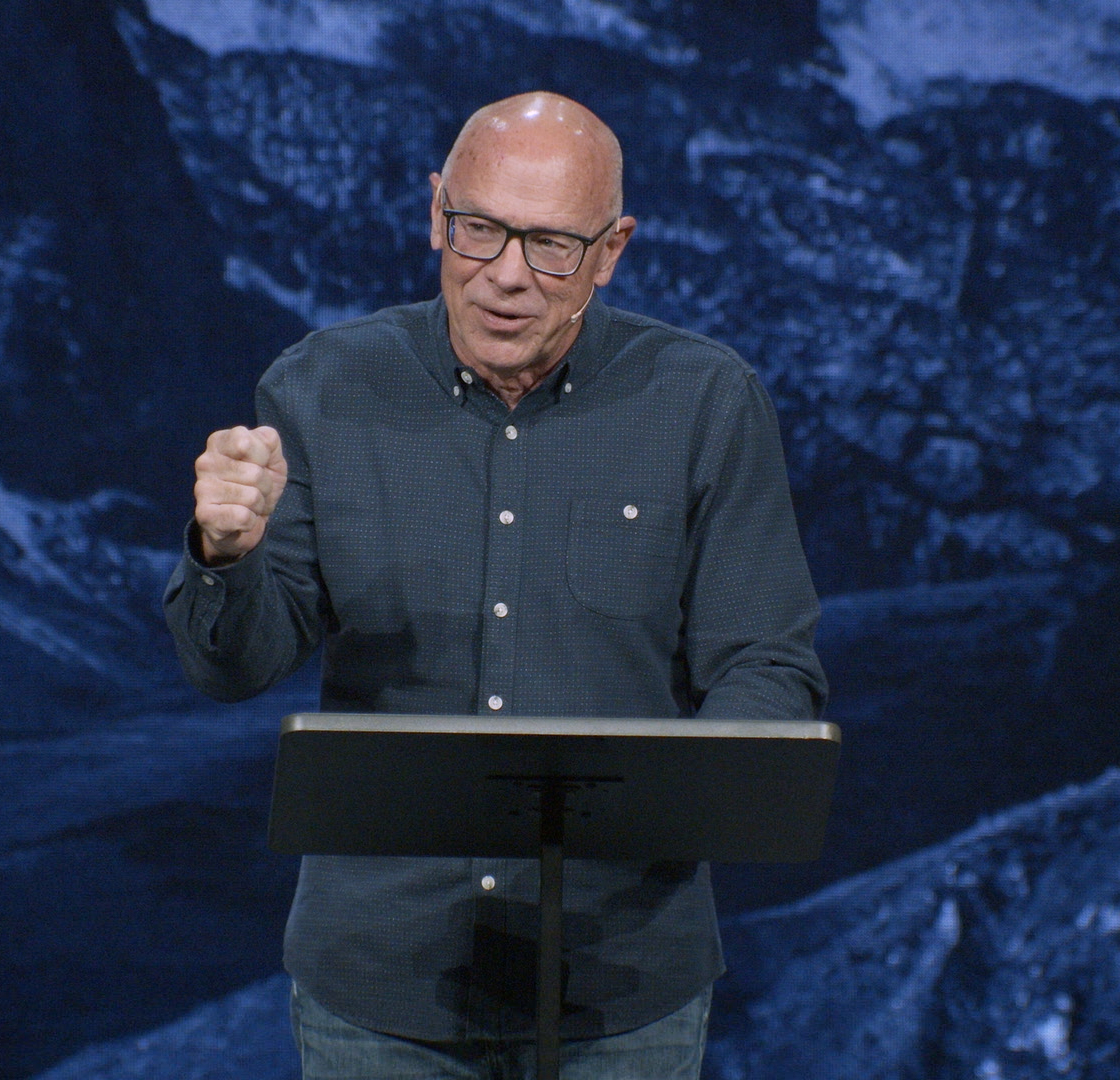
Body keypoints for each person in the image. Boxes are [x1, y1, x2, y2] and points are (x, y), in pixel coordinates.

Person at [164, 91, 827, 1079]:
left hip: (622, 987)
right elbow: (233, 668)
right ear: (437, 212)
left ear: (611, 251)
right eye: (479, 230)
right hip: (380, 991)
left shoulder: (704, 402)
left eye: (552, 245)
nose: (506, 275)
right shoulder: (319, 388)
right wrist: (225, 555)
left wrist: (689, 801)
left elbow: (766, 664)